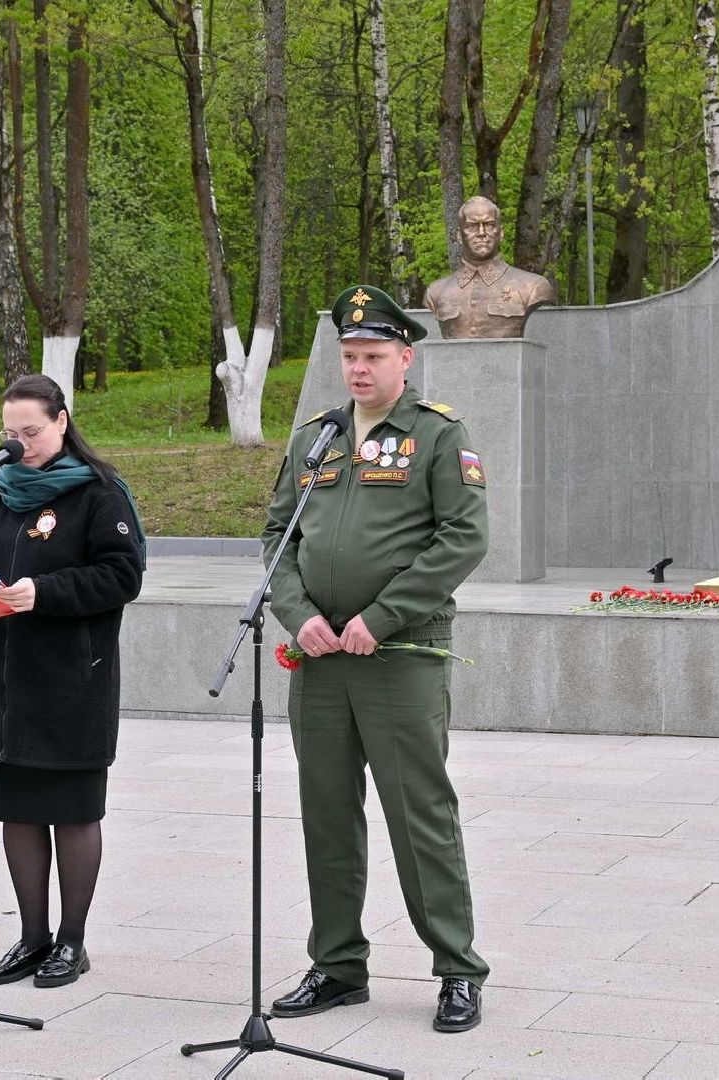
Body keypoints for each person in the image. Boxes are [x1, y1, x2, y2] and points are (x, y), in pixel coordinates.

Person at [263, 284, 490, 1033]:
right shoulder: (315, 438)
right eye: (348, 356)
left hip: (400, 656)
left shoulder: (434, 435)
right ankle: (336, 965)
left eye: (372, 356)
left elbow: (460, 538)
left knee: (418, 814)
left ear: (404, 357)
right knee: (326, 815)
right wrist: (298, 618)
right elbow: (278, 538)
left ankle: (457, 970)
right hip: (321, 659)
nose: (358, 370)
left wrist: (380, 616)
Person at [0, 374, 144, 989]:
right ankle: (31, 937)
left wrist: (42, 593)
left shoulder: (99, 492)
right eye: (11, 432)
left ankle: (71, 943)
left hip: (72, 676)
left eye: (33, 431)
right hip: (1, 675)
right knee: (17, 810)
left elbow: (122, 576)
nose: (21, 442)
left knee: (72, 811)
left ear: (63, 421)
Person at [423, 195, 555, 339]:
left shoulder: (533, 287)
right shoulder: (436, 292)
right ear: (459, 236)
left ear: (501, 233)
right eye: (472, 226)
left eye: (489, 225)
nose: (481, 233)